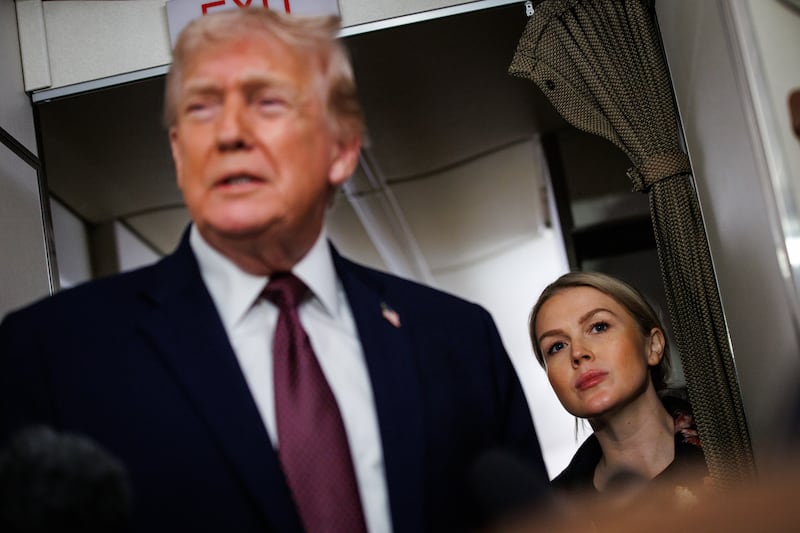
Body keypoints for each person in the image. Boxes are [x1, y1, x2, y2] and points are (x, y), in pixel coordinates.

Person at [0, 9, 548, 533]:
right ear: (177, 152)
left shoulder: (456, 342)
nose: (230, 132)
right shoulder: (52, 354)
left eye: (267, 102)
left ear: (340, 150)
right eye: (201, 108)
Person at [528, 272, 706, 508]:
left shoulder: (737, 440)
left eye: (599, 327)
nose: (578, 352)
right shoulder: (555, 514)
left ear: (652, 345)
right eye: (557, 346)